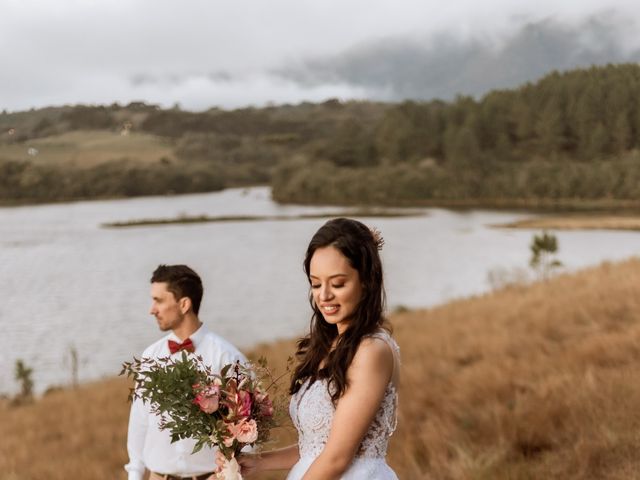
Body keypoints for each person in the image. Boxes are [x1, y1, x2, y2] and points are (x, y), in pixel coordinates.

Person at [220, 218, 400, 479]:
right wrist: (258, 462)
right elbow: (316, 447)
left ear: (367, 281)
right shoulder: (330, 346)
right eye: (316, 283)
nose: (324, 295)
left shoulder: (372, 350)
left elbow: (337, 457)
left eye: (337, 284)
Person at [125, 264, 246, 480]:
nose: (152, 309)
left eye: (159, 300)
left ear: (184, 304)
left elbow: (247, 428)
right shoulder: (151, 356)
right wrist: (134, 475)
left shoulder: (227, 357)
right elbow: (139, 425)